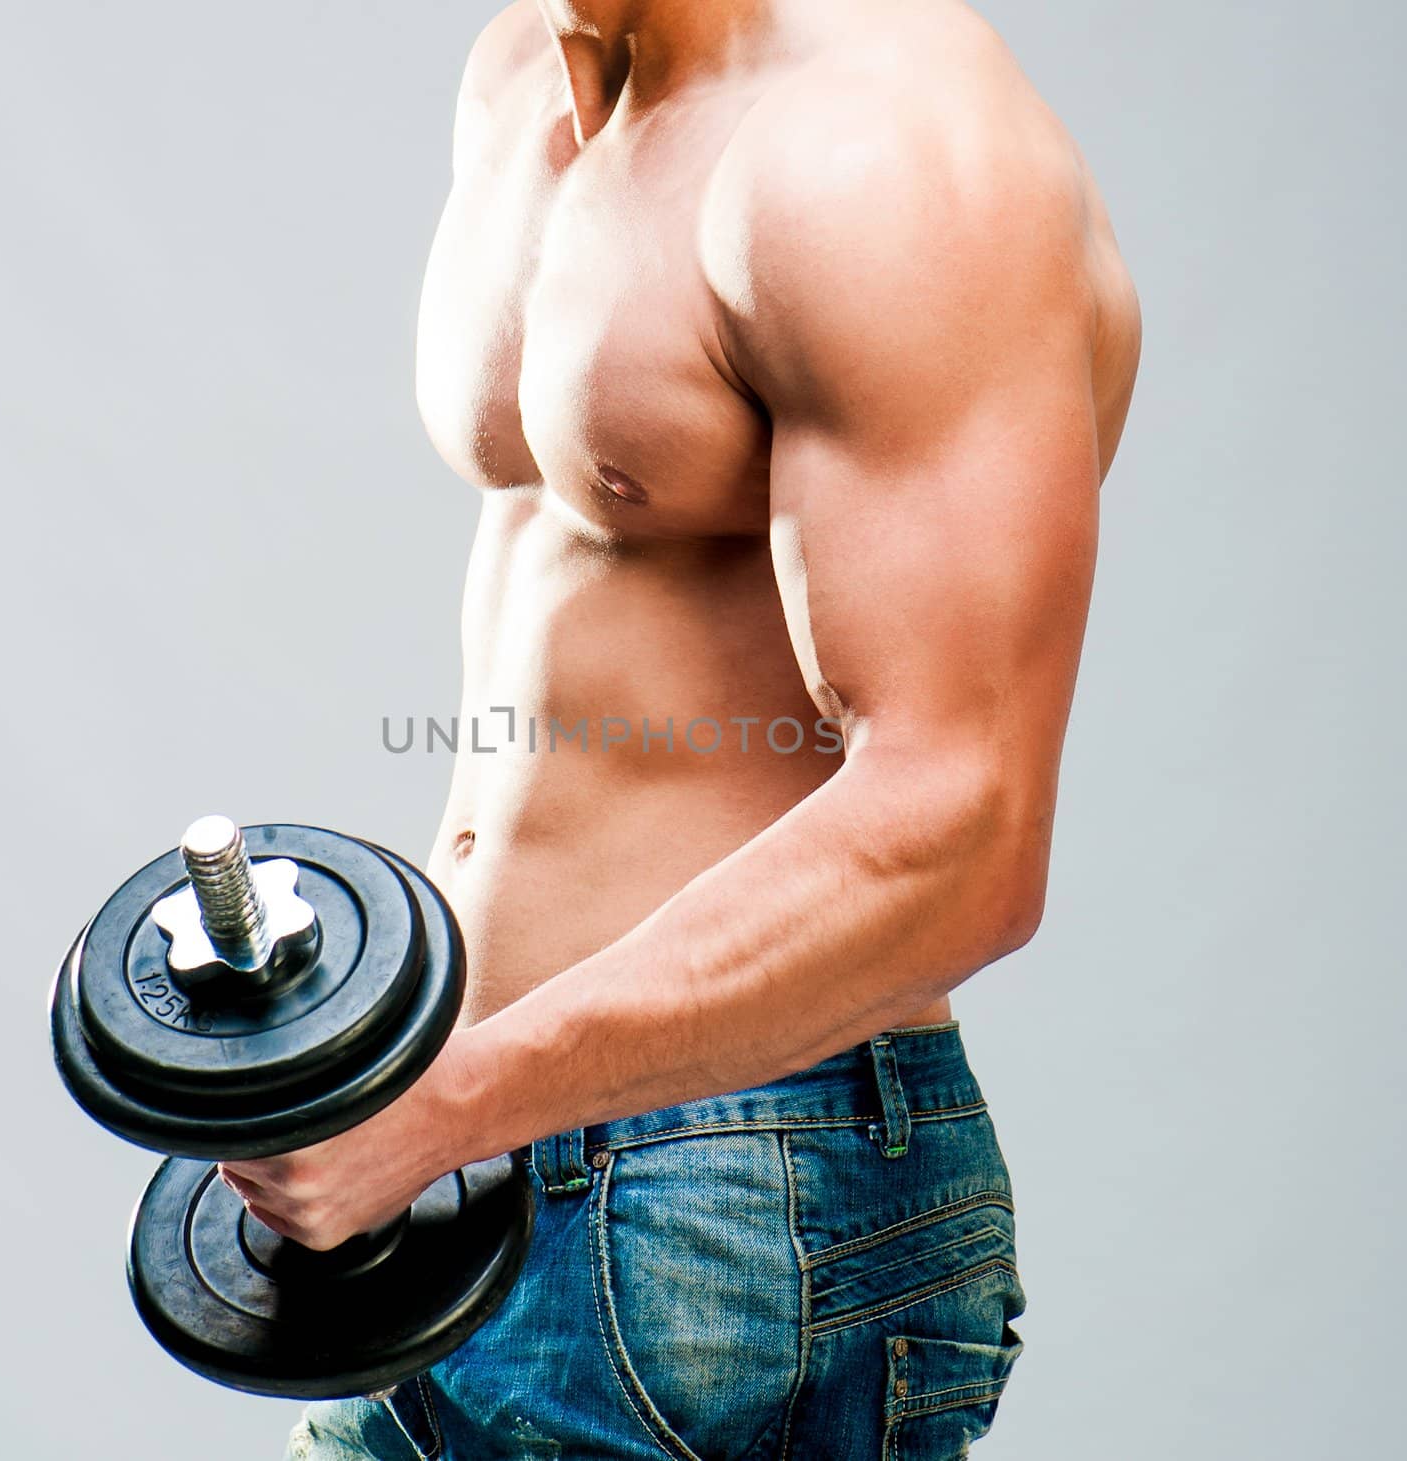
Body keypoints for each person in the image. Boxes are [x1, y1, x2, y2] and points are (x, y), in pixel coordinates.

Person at [224, 1, 1140, 1454]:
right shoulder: (527, 71)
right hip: (445, 1164)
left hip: (728, 1196)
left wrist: (448, 1104)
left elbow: (965, 830)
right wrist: (402, 1087)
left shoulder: (884, 155)